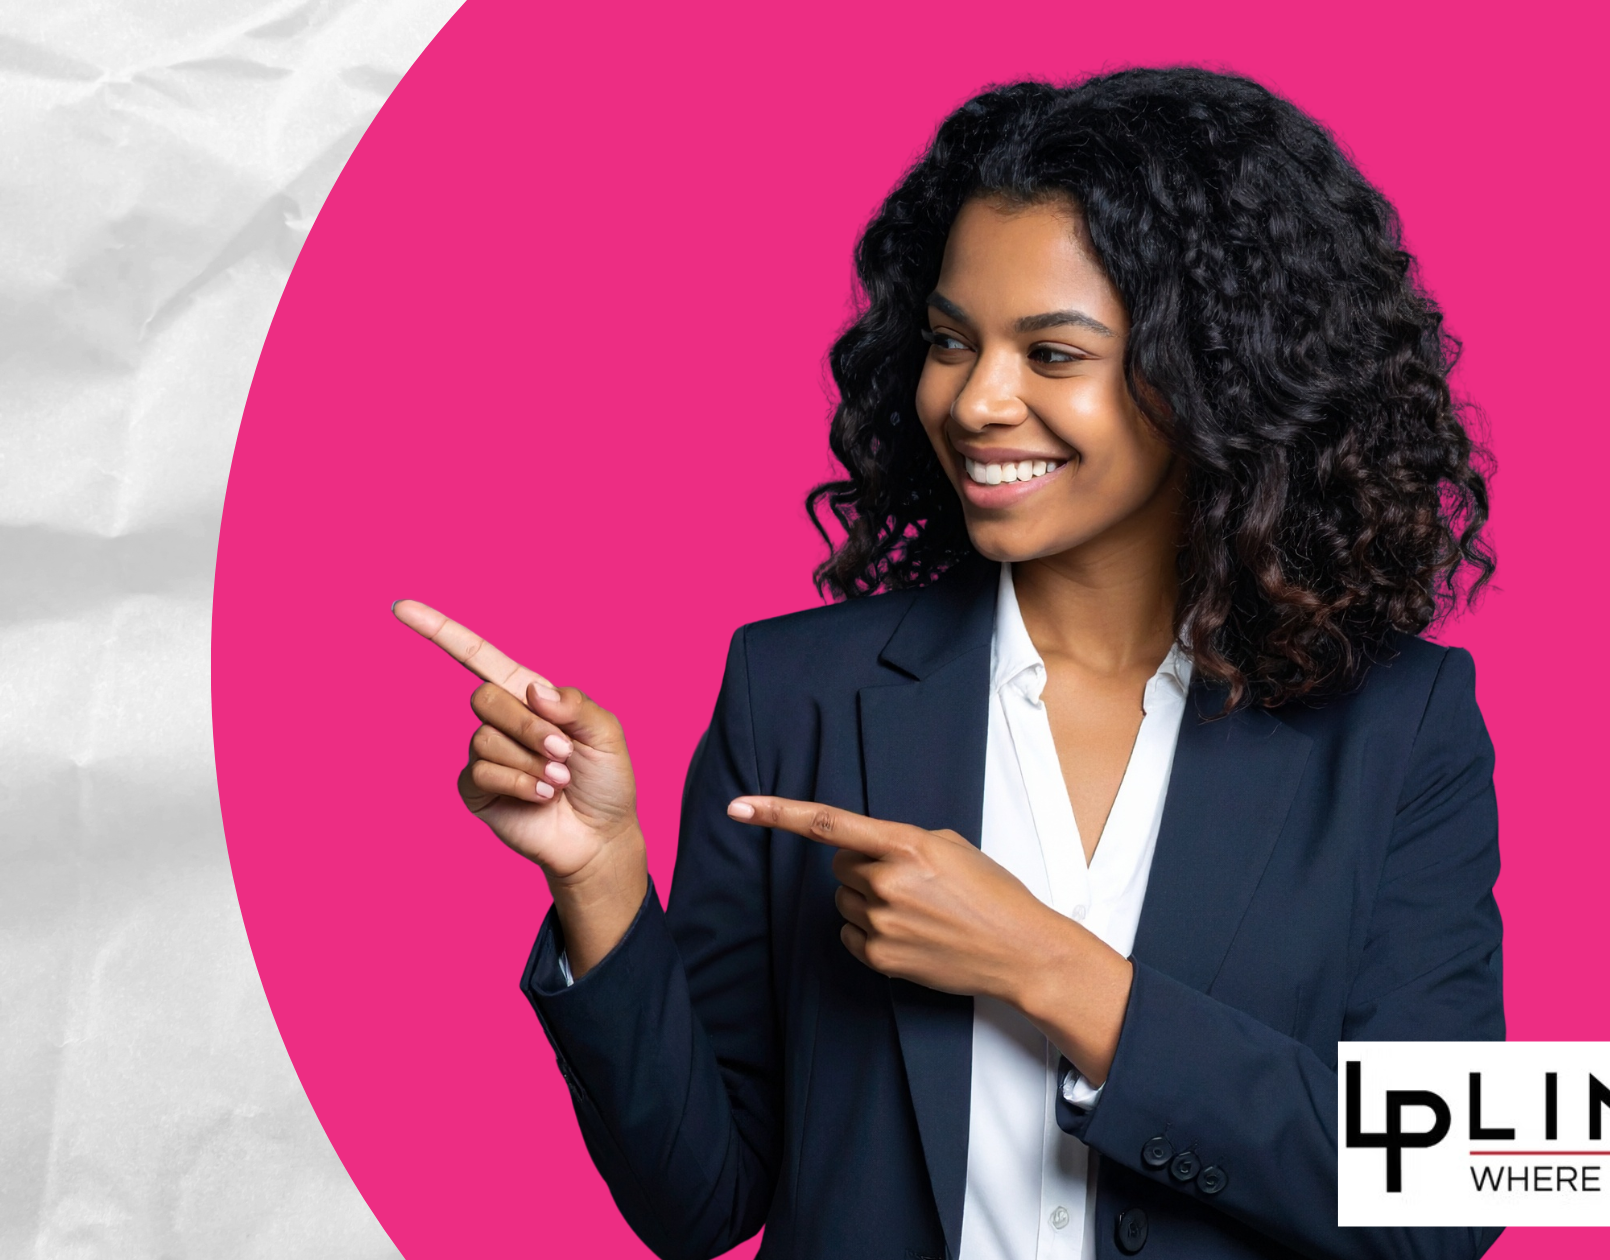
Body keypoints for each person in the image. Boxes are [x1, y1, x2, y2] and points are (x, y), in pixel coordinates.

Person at [397, 66, 1502, 1260]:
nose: (975, 401)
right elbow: (697, 1200)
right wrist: (602, 878)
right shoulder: (796, 698)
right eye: (949, 341)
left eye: (1052, 353)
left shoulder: (1396, 728)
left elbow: (1441, 1201)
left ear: (1216, 375)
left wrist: (1048, 968)